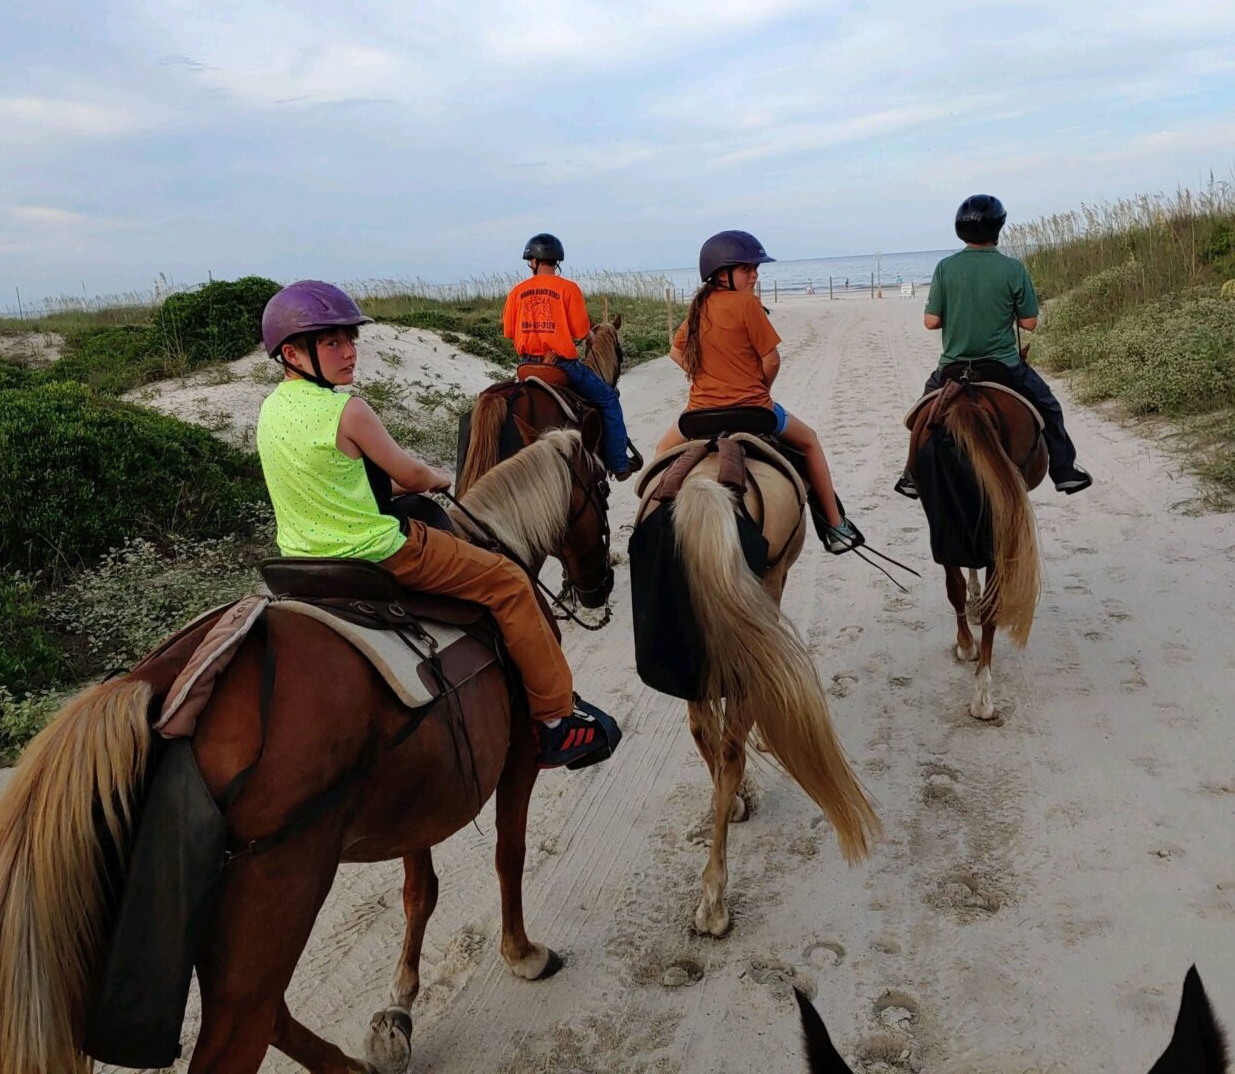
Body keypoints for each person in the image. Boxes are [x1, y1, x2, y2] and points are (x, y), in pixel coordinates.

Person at [257, 279, 615, 768]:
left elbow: (344, 478)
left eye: (350, 339)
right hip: (378, 552)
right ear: (292, 353)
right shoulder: (348, 409)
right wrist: (437, 477)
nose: (349, 352)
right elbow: (407, 473)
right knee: (509, 582)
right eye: (332, 342)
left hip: (302, 561)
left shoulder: (271, 409)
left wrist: (397, 485)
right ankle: (557, 722)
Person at [653, 231, 863, 555]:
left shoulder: (698, 307)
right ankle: (835, 525)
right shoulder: (747, 304)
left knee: (662, 450)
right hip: (753, 411)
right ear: (722, 274)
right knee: (809, 440)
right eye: (746, 269)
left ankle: (656, 524)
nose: (755, 275)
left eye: (755, 269)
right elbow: (772, 359)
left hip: (698, 416)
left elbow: (675, 352)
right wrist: (756, 388)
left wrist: (703, 378)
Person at [894, 195, 1092, 498]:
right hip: (1004, 366)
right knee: (1049, 407)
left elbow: (931, 322)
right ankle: (1064, 472)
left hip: (952, 368)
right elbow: (1029, 324)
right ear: (997, 229)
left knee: (921, 416)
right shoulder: (1013, 268)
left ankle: (911, 474)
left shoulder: (945, 268)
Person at [503, 233, 641, 480]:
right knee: (609, 399)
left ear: (534, 261)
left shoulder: (516, 292)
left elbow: (509, 332)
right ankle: (620, 464)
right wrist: (584, 336)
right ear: (556, 261)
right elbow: (580, 331)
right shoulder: (568, 288)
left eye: (530, 261)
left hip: (525, 367)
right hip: (562, 367)